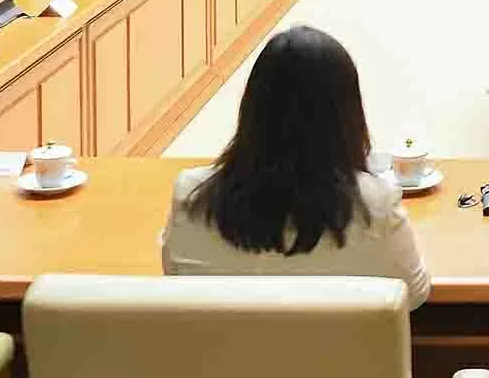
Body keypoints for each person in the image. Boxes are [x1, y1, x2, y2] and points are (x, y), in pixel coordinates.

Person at [162, 26, 430, 303]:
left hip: (224, 334)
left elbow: (173, 277)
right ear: (347, 116)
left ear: (252, 108)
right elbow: (415, 293)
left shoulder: (190, 195)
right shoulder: (377, 204)